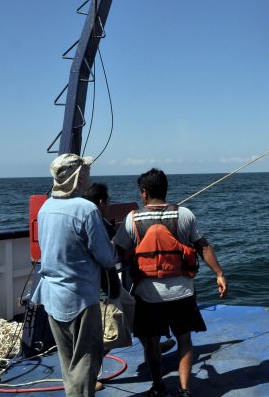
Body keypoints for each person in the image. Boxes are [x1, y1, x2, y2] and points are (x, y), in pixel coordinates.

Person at [113, 168, 228, 397]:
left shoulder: (132, 218)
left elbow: (116, 252)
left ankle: (158, 386)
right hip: (183, 293)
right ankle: (185, 390)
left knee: (151, 341)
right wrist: (219, 274)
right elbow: (203, 246)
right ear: (166, 190)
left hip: (147, 294)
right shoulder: (185, 214)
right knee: (184, 339)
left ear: (144, 193)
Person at [31, 154, 117, 397]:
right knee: (87, 358)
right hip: (79, 298)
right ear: (78, 177)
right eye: (86, 170)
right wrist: (113, 245)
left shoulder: (46, 207)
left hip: (51, 295)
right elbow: (106, 257)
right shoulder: (87, 209)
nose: (89, 175)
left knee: (68, 360)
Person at [83, 182, 121, 299]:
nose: (109, 205)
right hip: (105, 292)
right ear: (101, 202)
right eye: (108, 201)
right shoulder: (99, 225)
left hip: (104, 287)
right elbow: (106, 258)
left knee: (130, 305)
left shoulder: (85, 222)